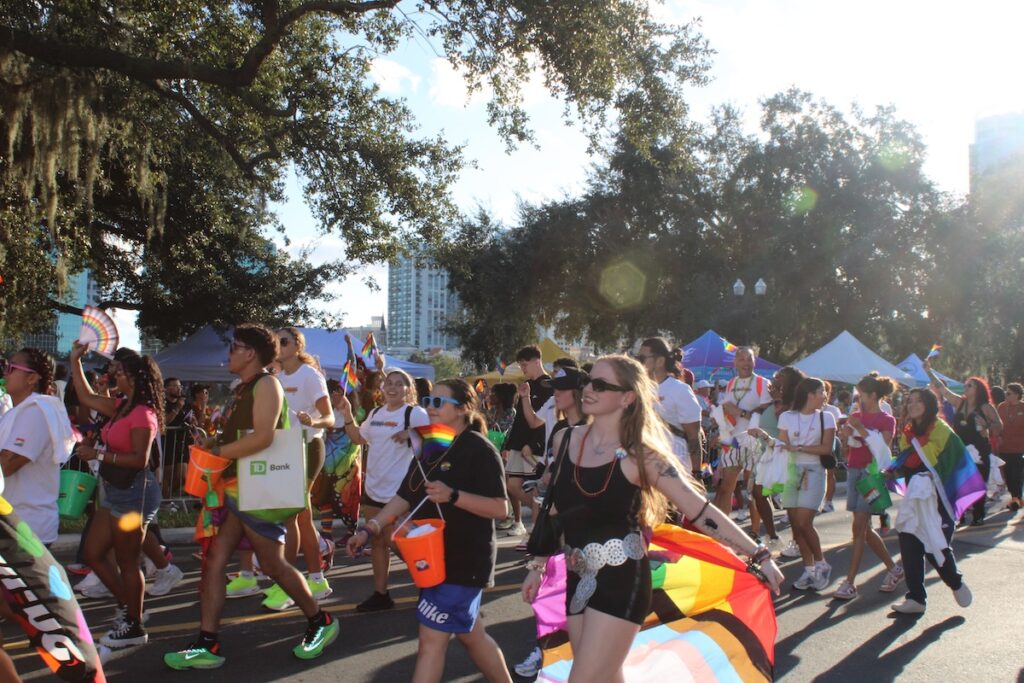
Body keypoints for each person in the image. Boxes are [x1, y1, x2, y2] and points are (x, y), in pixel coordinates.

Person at [520, 355, 782, 682]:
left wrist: (759, 554)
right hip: (578, 579)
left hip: (621, 584)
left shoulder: (643, 457)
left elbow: (700, 510)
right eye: (588, 381)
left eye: (601, 385)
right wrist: (537, 564)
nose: (588, 389)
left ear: (627, 397)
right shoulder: (566, 440)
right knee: (608, 677)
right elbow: (554, 508)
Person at [164, 324, 338, 669]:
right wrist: (211, 444)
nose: (229, 353)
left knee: (273, 564)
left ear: (251, 354)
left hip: (256, 489)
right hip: (236, 488)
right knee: (214, 564)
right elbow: (242, 434)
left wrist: (221, 453)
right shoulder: (242, 389)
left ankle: (321, 622)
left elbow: (264, 438)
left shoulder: (267, 385)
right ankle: (207, 643)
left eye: (235, 347)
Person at [346, 379, 513, 683]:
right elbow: (403, 497)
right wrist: (369, 529)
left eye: (438, 403)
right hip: (432, 560)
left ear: (463, 408)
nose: (430, 408)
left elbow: (501, 509)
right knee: (471, 636)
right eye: (428, 401)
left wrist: (454, 496)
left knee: (430, 643)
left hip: (463, 562)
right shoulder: (430, 445)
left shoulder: (479, 449)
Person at [69, 342, 170, 648]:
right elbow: (85, 396)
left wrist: (98, 453)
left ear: (135, 377)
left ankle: (134, 626)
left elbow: (140, 459)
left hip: (134, 494)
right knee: (93, 553)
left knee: (128, 561)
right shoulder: (121, 406)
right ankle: (130, 608)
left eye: (120, 371)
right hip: (116, 490)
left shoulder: (143, 414)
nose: (114, 374)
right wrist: (75, 360)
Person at [249, 326, 337, 611]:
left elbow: (330, 417)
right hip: (284, 448)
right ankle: (316, 579)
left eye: (283, 341)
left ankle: (287, 584)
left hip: (309, 447)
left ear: (298, 346)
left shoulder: (310, 376)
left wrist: (313, 422)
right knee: (300, 516)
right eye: (276, 341)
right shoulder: (276, 377)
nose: (279, 344)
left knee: (292, 515)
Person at [513, 365, 592, 677]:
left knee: (573, 599)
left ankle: (557, 653)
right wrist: (544, 475)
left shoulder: (596, 431)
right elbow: (552, 475)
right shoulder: (559, 431)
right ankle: (548, 650)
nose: (555, 393)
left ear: (578, 394)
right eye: (554, 387)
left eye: (561, 388)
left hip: (587, 532)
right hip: (559, 522)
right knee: (556, 593)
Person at [336, 368, 429, 612]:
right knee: (377, 541)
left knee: (397, 541)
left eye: (400, 384)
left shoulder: (415, 413)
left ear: (409, 390)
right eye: (389, 382)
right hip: (373, 488)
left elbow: (437, 437)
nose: (393, 387)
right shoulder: (376, 413)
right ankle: (381, 595)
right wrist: (347, 415)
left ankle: (430, 586)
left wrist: (412, 433)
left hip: (400, 492)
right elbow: (358, 438)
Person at [887, 389, 975, 614]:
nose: (913, 405)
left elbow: (933, 457)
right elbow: (910, 462)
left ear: (928, 404)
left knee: (935, 545)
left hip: (939, 498)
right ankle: (916, 598)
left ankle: (955, 582)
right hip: (916, 498)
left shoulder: (941, 429)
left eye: (918, 401)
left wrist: (907, 460)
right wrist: (892, 469)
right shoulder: (907, 432)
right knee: (909, 540)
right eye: (910, 401)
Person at [832, 373, 903, 600]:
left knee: (860, 526)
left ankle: (850, 582)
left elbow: (882, 449)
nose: (858, 398)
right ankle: (894, 568)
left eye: (861, 394)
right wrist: (845, 437)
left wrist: (860, 429)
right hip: (854, 471)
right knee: (862, 527)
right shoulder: (855, 415)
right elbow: (849, 450)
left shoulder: (887, 420)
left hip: (872, 475)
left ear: (873, 395)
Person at [0, 350, 75, 546]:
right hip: (15, 523)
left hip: (26, 527)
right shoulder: (18, 411)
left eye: (11, 368)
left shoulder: (36, 412)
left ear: (32, 378)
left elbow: (6, 466)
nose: (4, 372)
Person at [925, 360, 1003, 525]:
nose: (965, 387)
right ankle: (959, 514)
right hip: (960, 449)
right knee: (959, 483)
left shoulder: (986, 407)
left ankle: (978, 514)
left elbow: (999, 426)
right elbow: (942, 389)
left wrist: (987, 426)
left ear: (978, 389)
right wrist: (929, 371)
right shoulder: (960, 403)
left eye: (970, 385)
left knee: (979, 482)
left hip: (980, 450)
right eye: (966, 385)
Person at [777, 376, 836, 591]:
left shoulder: (827, 417)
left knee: (803, 522)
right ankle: (810, 570)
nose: (825, 396)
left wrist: (799, 448)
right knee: (796, 526)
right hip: (791, 472)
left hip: (814, 471)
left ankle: (821, 563)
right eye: (822, 392)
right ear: (810, 395)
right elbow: (781, 445)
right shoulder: (787, 416)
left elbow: (826, 449)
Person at [502, 345, 552, 537]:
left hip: (535, 448)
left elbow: (545, 421)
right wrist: (508, 445)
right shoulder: (526, 384)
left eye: (525, 364)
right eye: (521, 364)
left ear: (537, 361)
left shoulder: (549, 385)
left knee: (535, 486)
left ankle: (543, 520)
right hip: (518, 445)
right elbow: (520, 419)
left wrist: (534, 444)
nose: (523, 368)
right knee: (513, 485)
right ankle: (543, 515)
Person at [716, 347, 773, 515]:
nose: (746, 363)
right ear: (735, 363)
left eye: (749, 359)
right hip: (733, 441)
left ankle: (755, 533)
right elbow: (727, 408)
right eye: (741, 360)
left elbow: (765, 411)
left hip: (754, 442)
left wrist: (740, 412)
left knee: (754, 490)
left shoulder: (763, 383)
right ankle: (724, 530)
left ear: (754, 361)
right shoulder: (731, 383)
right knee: (726, 487)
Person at [637, 338, 702, 474]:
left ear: (660, 361)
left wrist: (697, 473)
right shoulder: (637, 389)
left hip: (674, 464)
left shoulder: (680, 390)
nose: (638, 362)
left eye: (642, 358)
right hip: (642, 464)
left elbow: (693, 437)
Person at [997, 383, 1024, 512]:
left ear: (1017, 395)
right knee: (1007, 475)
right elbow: (996, 425)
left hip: (1020, 448)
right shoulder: (1001, 407)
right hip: (1004, 447)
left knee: (1017, 474)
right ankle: (1016, 498)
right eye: (1005, 393)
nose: (1006, 395)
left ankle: (1016, 499)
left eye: (1008, 393)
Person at [819, 381, 844, 513]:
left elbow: (837, 428)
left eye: (825, 391)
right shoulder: (809, 409)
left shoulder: (833, 410)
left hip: (830, 444)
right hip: (814, 445)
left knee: (829, 473)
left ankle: (828, 502)